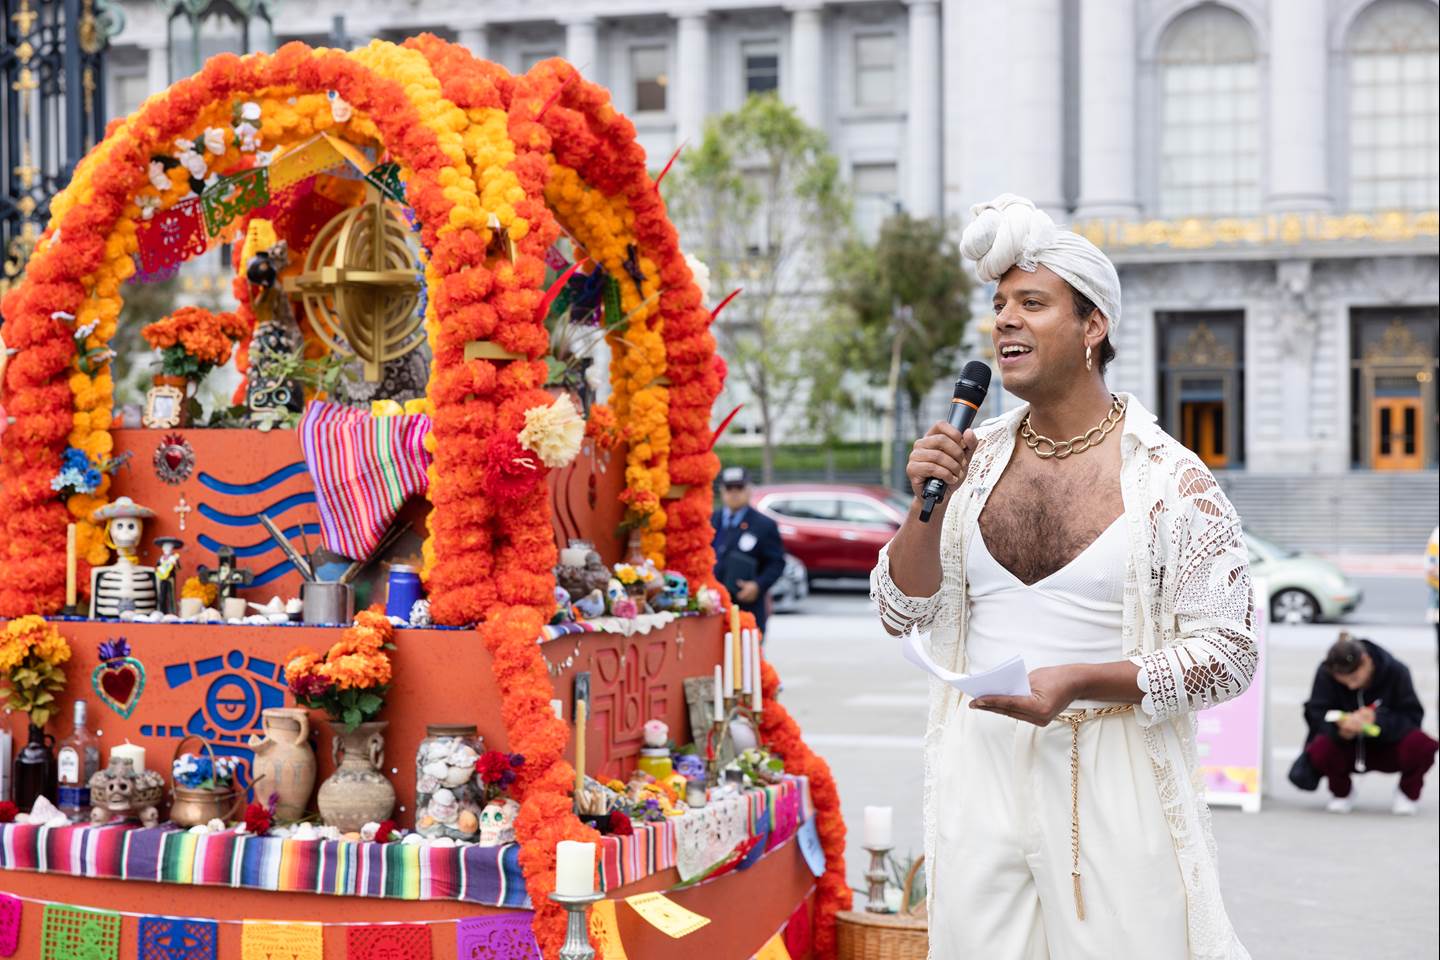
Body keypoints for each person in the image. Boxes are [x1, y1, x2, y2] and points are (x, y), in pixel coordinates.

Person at [871, 194, 1254, 958]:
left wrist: (1077, 679)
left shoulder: (1173, 481)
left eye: (1032, 303)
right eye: (999, 304)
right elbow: (899, 609)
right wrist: (926, 507)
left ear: (1092, 326)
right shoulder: (969, 463)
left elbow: (1230, 655)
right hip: (978, 765)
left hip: (1111, 772)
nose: (1004, 320)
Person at [1301, 633, 1437, 816]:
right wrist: (1339, 729)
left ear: (1366, 661)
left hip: (1387, 746)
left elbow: (1413, 717)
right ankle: (1342, 792)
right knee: (1319, 748)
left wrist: (1378, 720)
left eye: (1355, 679)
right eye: (1343, 682)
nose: (1350, 686)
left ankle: (1407, 792)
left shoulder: (1396, 671)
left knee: (1423, 745)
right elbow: (1316, 713)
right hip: (1346, 747)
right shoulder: (1326, 673)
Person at [711, 466, 786, 635]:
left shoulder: (764, 525)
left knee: (747, 658)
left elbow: (776, 563)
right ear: (722, 491)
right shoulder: (710, 521)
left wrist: (758, 585)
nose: (734, 493)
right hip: (713, 605)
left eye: (740, 487)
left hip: (747, 606)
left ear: (749, 489)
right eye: (729, 488)